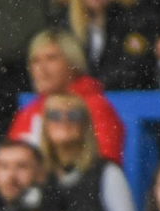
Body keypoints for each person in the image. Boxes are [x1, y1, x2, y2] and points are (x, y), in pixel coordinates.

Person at [38, 92, 138, 211]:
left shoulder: (107, 172)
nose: (64, 121)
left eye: (74, 115)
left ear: (86, 124)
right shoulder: (40, 175)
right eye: (55, 115)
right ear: (44, 124)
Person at [8, 29, 124, 164]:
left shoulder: (96, 107)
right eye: (35, 61)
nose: (41, 68)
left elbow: (104, 164)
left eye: (51, 58)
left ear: (73, 64)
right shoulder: (28, 113)